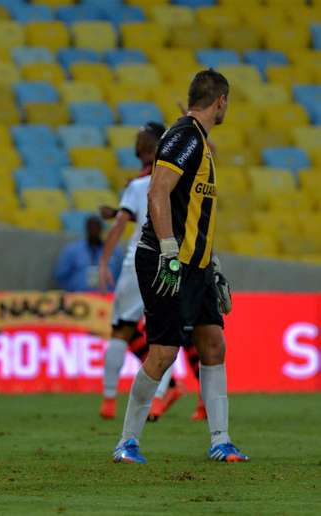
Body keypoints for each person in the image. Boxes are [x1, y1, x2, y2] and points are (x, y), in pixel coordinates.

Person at [112, 69, 247, 464]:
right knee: (163, 352)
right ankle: (127, 442)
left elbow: (193, 209)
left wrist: (211, 259)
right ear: (220, 101)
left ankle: (220, 440)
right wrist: (169, 250)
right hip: (167, 259)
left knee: (213, 344)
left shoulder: (198, 142)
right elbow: (158, 191)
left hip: (196, 263)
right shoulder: (186, 137)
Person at [98, 122, 182, 421]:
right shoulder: (176, 182)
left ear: (150, 147)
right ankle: (160, 399)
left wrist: (104, 261)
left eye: (141, 138)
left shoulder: (136, 186)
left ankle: (108, 402)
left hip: (138, 261)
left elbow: (120, 225)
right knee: (166, 332)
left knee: (120, 330)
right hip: (171, 258)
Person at [54, 215, 123, 292]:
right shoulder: (72, 250)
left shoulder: (114, 251)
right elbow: (61, 276)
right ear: (86, 228)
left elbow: (121, 276)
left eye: (96, 226)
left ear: (101, 228)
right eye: (91, 226)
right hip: (79, 297)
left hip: (106, 298)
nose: (94, 229)